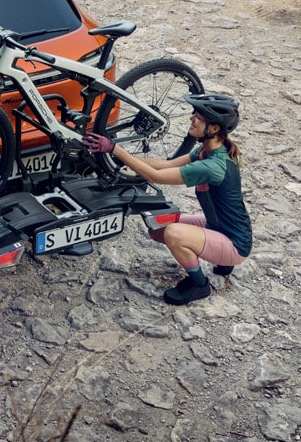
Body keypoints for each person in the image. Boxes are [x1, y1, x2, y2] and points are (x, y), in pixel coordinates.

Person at [83, 93, 252, 304]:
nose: (192, 118)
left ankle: (199, 285)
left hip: (234, 244)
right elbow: (165, 164)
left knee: (173, 233)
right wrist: (120, 161)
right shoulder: (207, 152)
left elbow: (156, 176)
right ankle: (222, 262)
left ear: (215, 128)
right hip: (217, 226)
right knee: (158, 229)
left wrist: (114, 149)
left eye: (198, 116)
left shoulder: (211, 167)